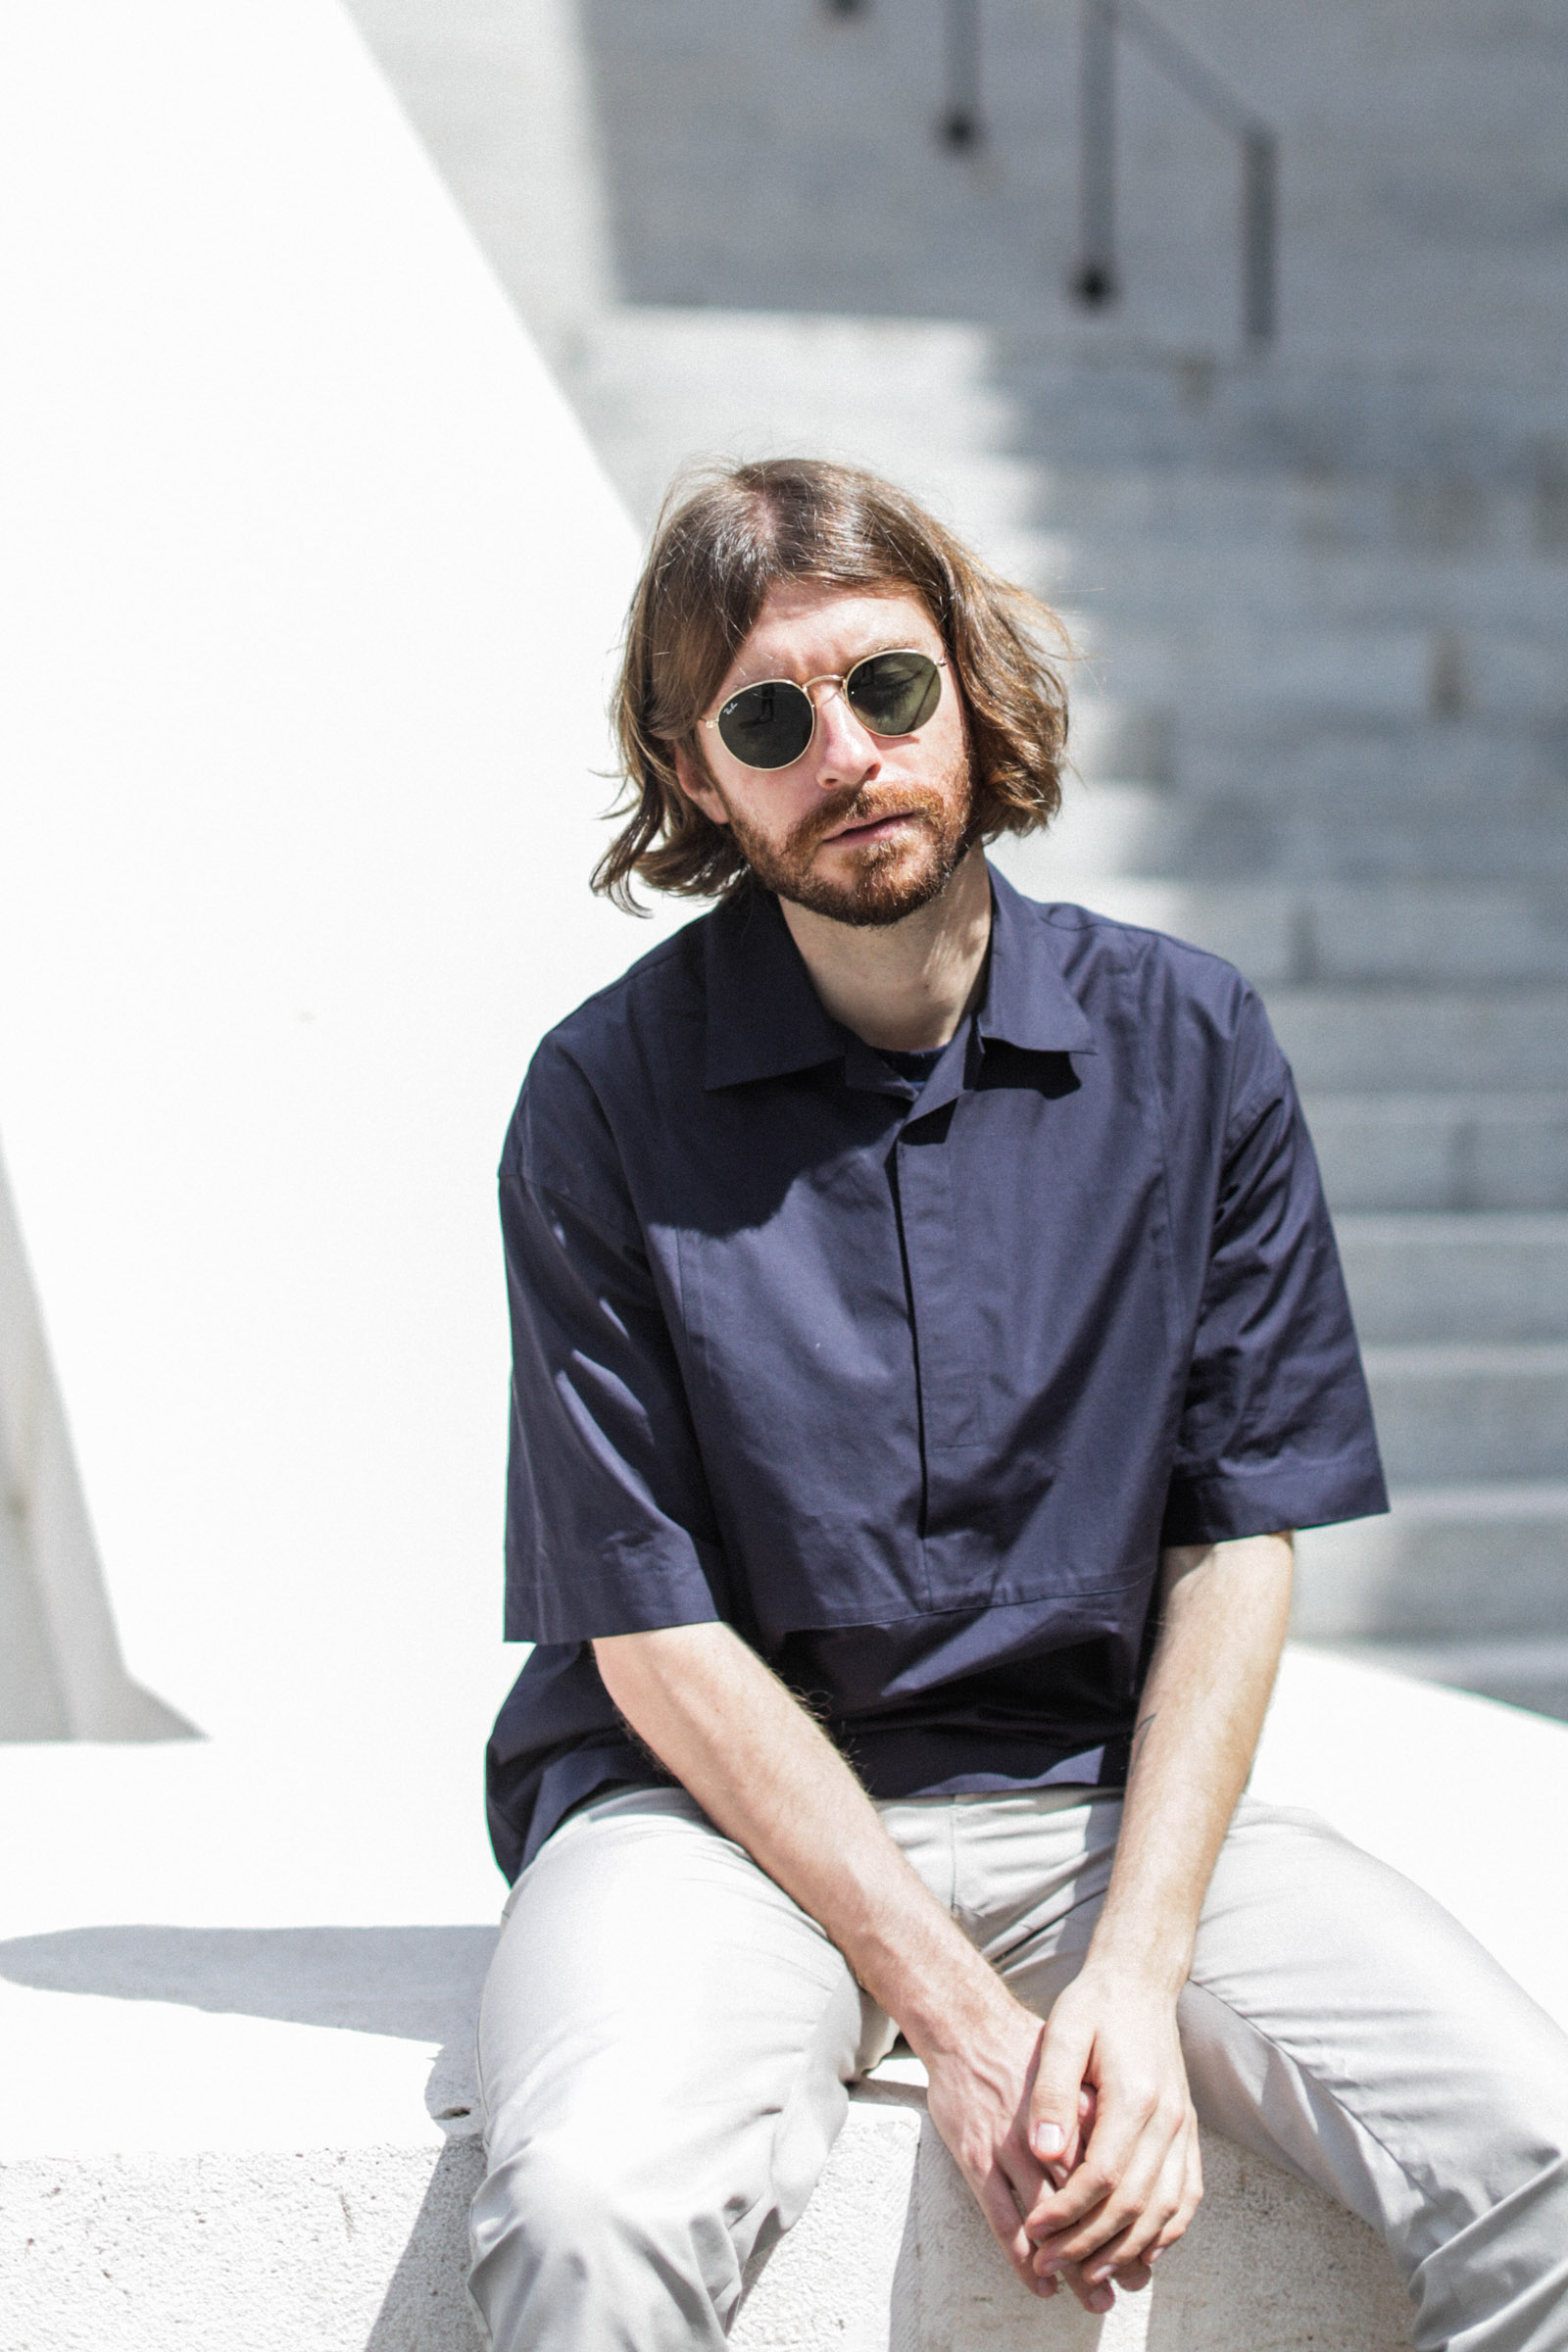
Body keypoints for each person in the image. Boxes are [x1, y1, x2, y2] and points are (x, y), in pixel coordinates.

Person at [467, 459, 1568, 2351]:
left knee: (1544, 2162)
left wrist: (1134, 1971)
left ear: (967, 687)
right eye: (767, 721)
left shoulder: (1192, 1043)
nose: (848, 753)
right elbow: (647, 1630)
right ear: (698, 775)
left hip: (1094, 1813)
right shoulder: (600, 1098)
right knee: (585, 2217)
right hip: (710, 1833)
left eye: (887, 687)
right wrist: (966, 2020)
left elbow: (1238, 1541)